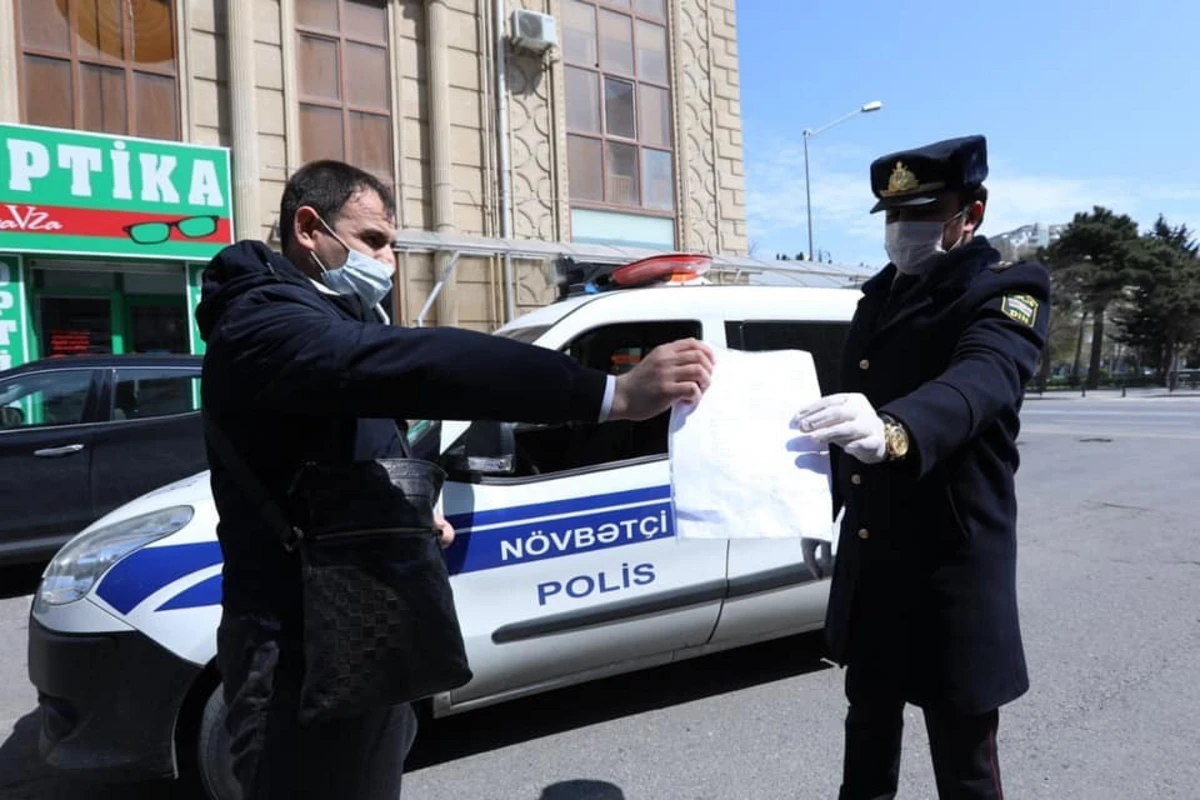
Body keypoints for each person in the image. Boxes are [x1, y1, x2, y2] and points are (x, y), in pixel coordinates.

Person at [195, 159, 713, 799]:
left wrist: (410, 509)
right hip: (300, 654)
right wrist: (609, 393)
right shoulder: (262, 326)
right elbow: (422, 364)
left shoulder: (324, 319)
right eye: (374, 241)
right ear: (308, 228)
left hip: (357, 632)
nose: (387, 262)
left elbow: (342, 453)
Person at [792, 135, 1050, 799]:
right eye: (893, 216)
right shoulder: (880, 295)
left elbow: (981, 380)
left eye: (923, 213)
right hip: (874, 564)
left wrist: (896, 429)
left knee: (965, 768)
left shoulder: (1007, 291)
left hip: (949, 576)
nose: (903, 230)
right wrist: (816, 511)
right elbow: (845, 422)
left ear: (973, 213)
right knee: (867, 743)